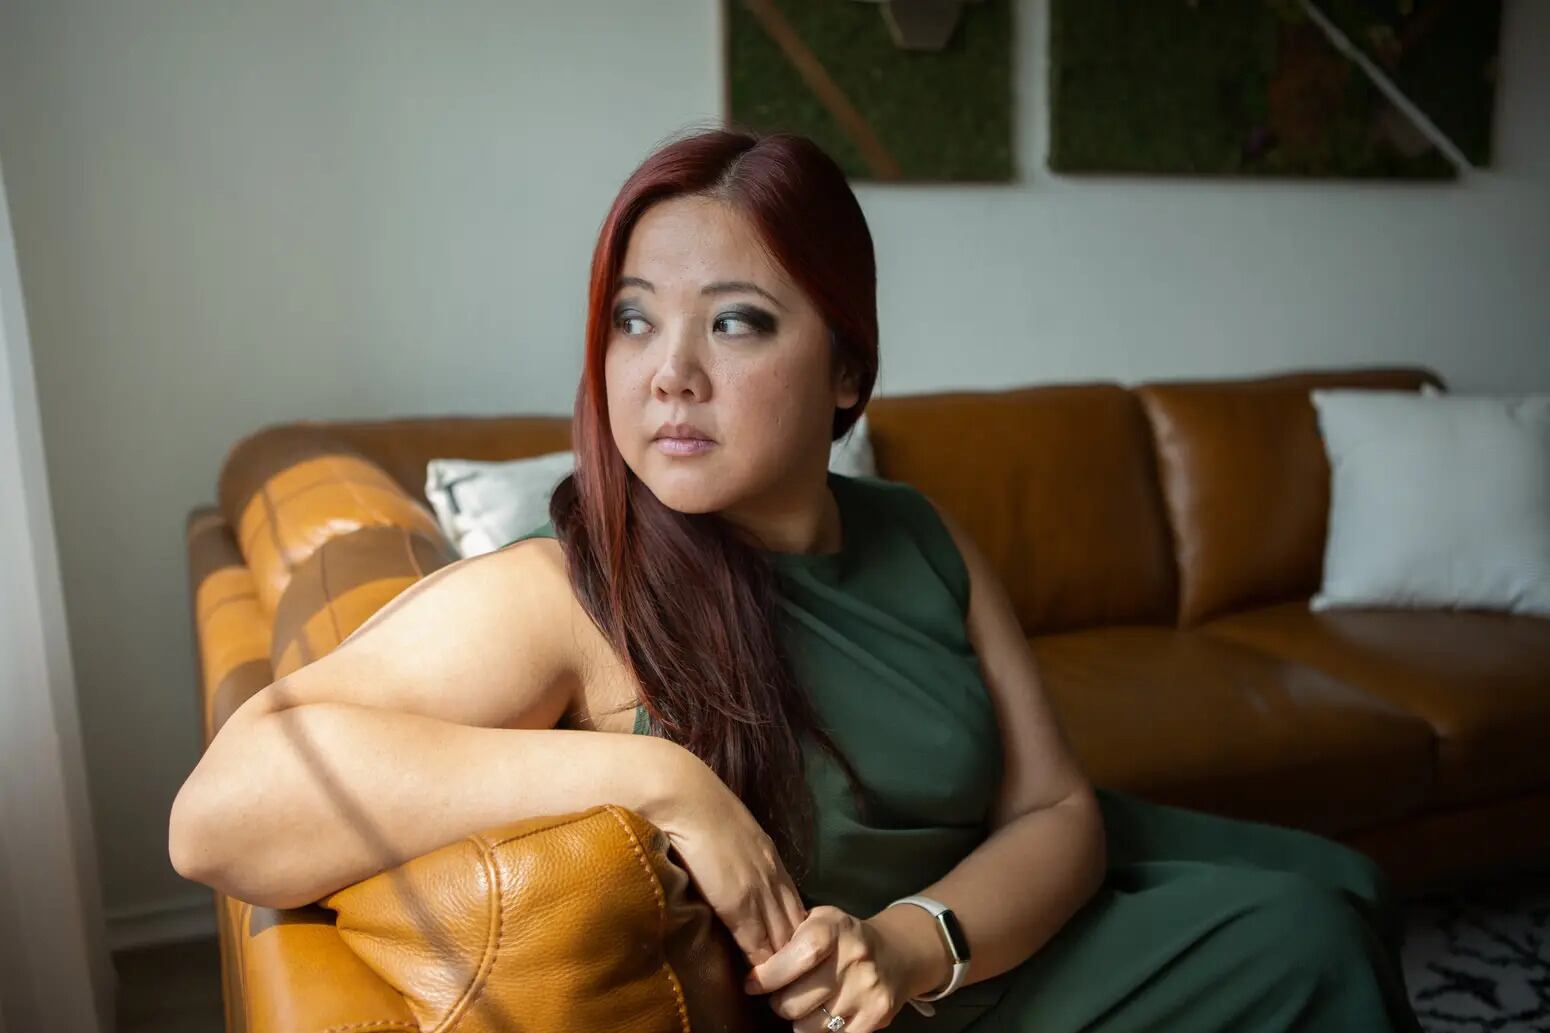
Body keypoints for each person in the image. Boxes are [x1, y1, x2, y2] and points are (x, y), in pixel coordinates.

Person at [170, 126, 1424, 1033]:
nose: (667, 372)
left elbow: (1055, 811)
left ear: (843, 370)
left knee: (1351, 880)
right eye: (633, 317)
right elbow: (217, 814)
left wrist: (911, 939)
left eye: (735, 321)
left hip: (971, 920)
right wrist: (655, 776)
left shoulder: (914, 530)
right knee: (1308, 946)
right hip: (919, 1013)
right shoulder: (564, 592)